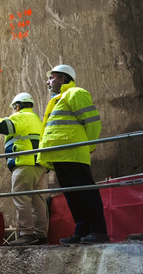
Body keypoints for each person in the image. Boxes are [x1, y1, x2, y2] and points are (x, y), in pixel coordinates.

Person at [39, 64, 109, 244]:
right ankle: (82, 231)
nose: (48, 82)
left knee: (85, 193)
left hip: (73, 154)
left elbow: (93, 123)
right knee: (73, 197)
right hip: (60, 156)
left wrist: (89, 146)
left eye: (51, 78)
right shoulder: (58, 100)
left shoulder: (75, 93)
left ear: (62, 79)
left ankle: (98, 231)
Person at [0, 92, 49, 246]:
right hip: (39, 165)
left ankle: (27, 234)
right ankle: (41, 235)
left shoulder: (21, 117)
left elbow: (1, 126)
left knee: (22, 199)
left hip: (24, 164)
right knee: (38, 200)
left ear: (17, 106)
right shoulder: (35, 118)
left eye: (13, 108)